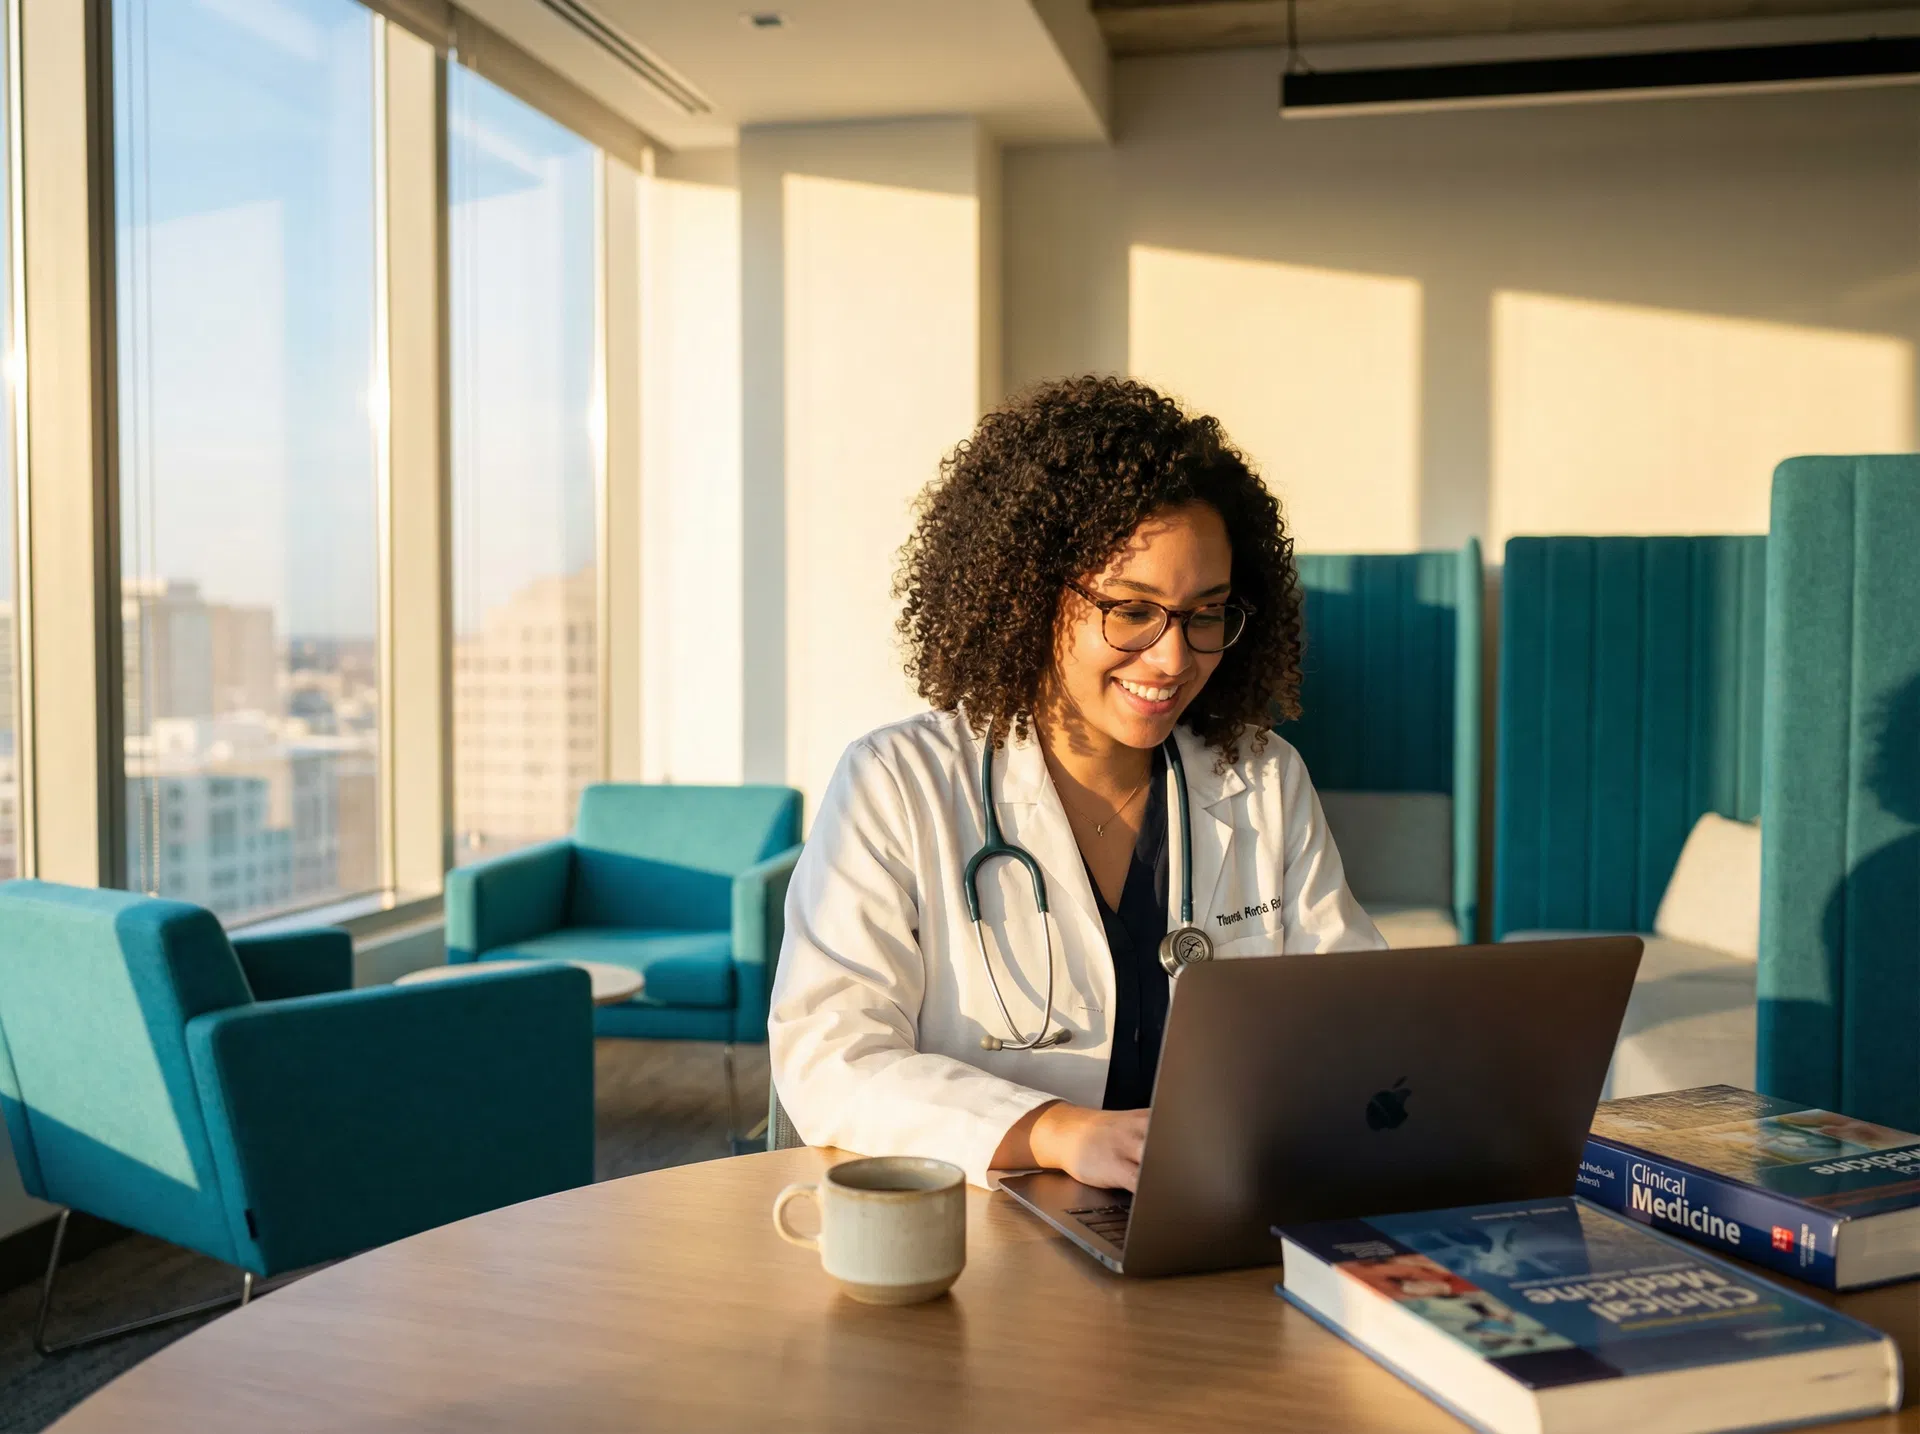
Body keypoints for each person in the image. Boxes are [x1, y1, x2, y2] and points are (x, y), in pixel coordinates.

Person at [768, 376, 1383, 1194]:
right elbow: (832, 1058)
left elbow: (1360, 1019)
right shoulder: (898, 785)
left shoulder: (1263, 779)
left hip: (1222, 1215)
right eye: (1132, 610)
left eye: (1207, 613)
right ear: (1026, 596)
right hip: (987, 1231)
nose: (1174, 659)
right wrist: (1054, 1133)